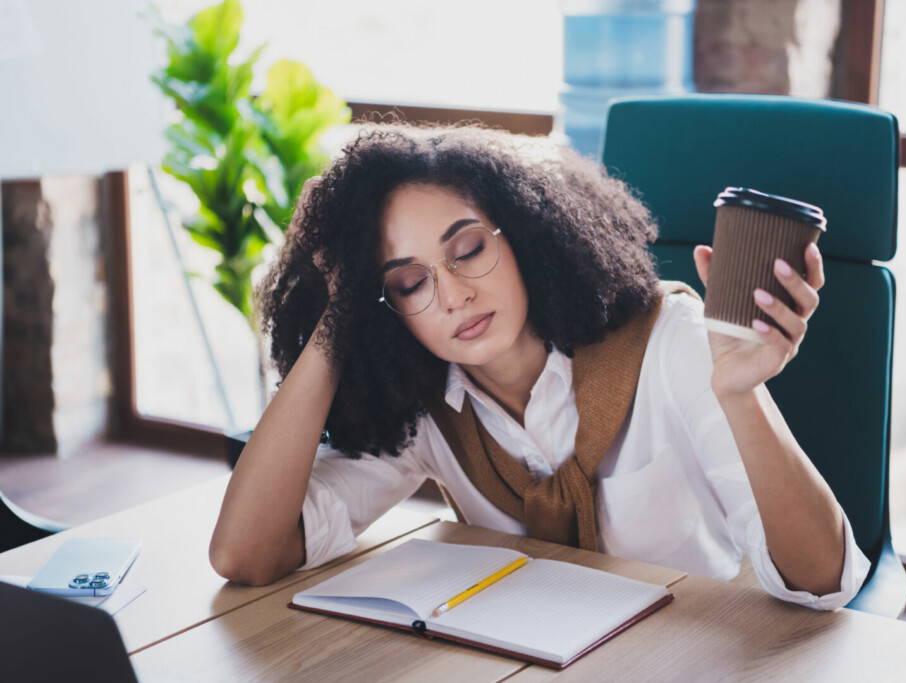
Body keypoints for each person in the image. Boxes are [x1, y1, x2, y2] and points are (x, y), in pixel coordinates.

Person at [209, 121, 869, 610]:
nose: (454, 294)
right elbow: (246, 553)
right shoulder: (423, 410)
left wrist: (739, 392)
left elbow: (823, 581)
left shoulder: (669, 343)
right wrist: (339, 316)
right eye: (410, 284)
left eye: (468, 249)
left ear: (522, 229)